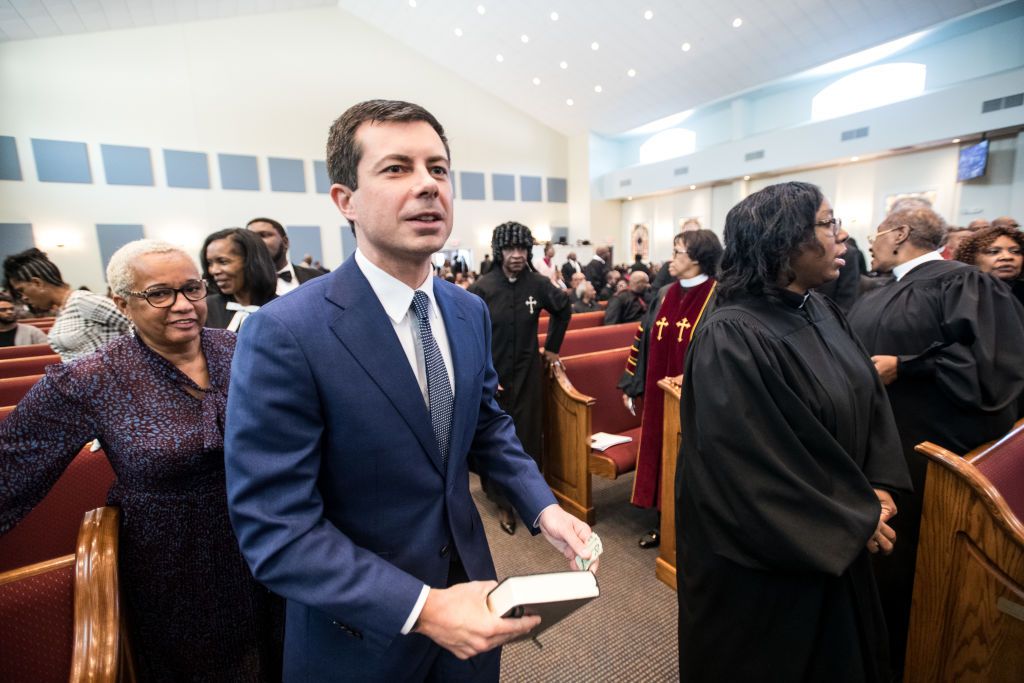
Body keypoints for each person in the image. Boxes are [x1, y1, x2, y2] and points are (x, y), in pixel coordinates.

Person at [223, 99, 595, 682]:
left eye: (439, 169)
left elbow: (488, 424)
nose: (427, 185)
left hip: (473, 600)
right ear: (345, 201)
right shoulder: (286, 331)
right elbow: (276, 527)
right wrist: (420, 608)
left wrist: (542, 506)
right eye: (397, 168)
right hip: (360, 631)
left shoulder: (468, 310)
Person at [0, 239, 283, 680]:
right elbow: (10, 465)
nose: (184, 305)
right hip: (174, 561)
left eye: (192, 288)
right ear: (122, 304)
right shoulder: (92, 378)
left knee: (283, 655)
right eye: (159, 294)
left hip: (267, 539)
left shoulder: (240, 348)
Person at [676, 182, 912, 681]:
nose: (842, 235)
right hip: (772, 566)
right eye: (827, 225)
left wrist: (879, 485)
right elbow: (750, 467)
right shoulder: (731, 334)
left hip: (840, 533)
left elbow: (870, 398)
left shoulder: (820, 309)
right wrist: (851, 518)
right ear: (782, 242)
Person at [848, 207, 1024, 676]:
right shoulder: (876, 290)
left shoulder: (966, 284)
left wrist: (906, 365)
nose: (870, 241)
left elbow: (990, 373)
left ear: (900, 233)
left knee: (909, 572)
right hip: (873, 451)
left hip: (926, 458)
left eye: (878, 232)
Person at [619, 229, 721, 549]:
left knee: (690, 461)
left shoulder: (717, 297)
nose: (671, 259)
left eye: (678, 252)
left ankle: (690, 529)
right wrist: (632, 383)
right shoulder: (663, 293)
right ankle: (662, 522)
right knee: (660, 454)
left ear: (699, 259)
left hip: (695, 403)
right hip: (657, 395)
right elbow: (642, 339)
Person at [468, 221, 572, 535]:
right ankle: (502, 501)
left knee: (527, 435)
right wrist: (483, 371)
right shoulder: (483, 288)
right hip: (494, 376)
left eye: (522, 249)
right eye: (510, 249)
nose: (517, 255)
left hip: (528, 374)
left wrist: (552, 349)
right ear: (499, 251)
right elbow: (471, 333)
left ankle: (528, 498)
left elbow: (563, 308)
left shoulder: (538, 284)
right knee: (494, 438)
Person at [3, 247, 130, 361]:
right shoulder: (64, 308)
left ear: (37, 283)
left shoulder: (83, 301)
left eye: (21, 290)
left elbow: (142, 328)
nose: (23, 298)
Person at [200, 228, 277, 331]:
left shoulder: (281, 308)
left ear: (251, 261)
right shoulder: (206, 307)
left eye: (223, 262)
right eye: (210, 263)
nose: (213, 270)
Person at [246, 217, 324, 295]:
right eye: (250, 238)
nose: (256, 242)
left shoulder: (317, 278)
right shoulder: (240, 285)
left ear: (285, 242)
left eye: (263, 235)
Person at [955, 224, 1024, 305]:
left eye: (1015, 251)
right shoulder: (957, 294)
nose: (1007, 257)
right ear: (971, 258)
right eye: (994, 252)